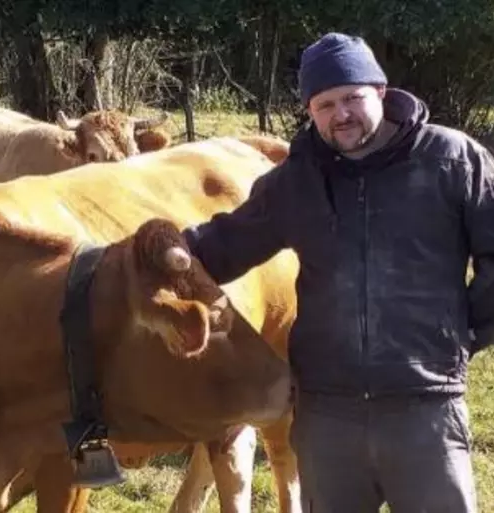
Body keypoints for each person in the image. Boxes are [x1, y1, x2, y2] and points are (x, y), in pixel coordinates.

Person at [182, 32, 494, 512]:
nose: (340, 114)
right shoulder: (298, 180)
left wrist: (460, 334)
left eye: (352, 97)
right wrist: (162, 248)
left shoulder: (451, 161)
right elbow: (224, 245)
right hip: (327, 415)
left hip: (425, 408)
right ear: (310, 110)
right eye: (324, 104)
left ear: (382, 93)